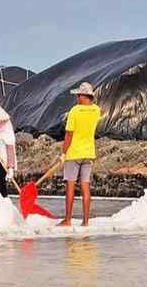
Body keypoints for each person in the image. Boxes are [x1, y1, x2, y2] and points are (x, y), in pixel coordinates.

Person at [58, 82, 101, 227]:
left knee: (70, 186)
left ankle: (68, 219)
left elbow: (69, 135)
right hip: (88, 153)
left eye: (78, 95)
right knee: (85, 186)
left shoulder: (74, 111)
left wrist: (63, 153)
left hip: (74, 153)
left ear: (84, 95)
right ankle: (86, 221)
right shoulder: (96, 110)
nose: (77, 97)